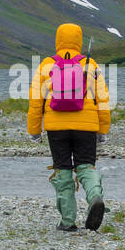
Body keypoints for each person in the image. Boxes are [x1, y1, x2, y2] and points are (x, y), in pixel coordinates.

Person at [27, 22, 111, 231]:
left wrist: (34, 130)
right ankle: (95, 197)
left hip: (56, 127)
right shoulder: (90, 65)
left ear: (57, 40)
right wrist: (102, 130)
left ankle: (67, 221)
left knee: (62, 168)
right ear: (79, 41)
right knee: (85, 166)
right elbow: (103, 100)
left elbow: (36, 101)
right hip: (86, 125)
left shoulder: (46, 65)